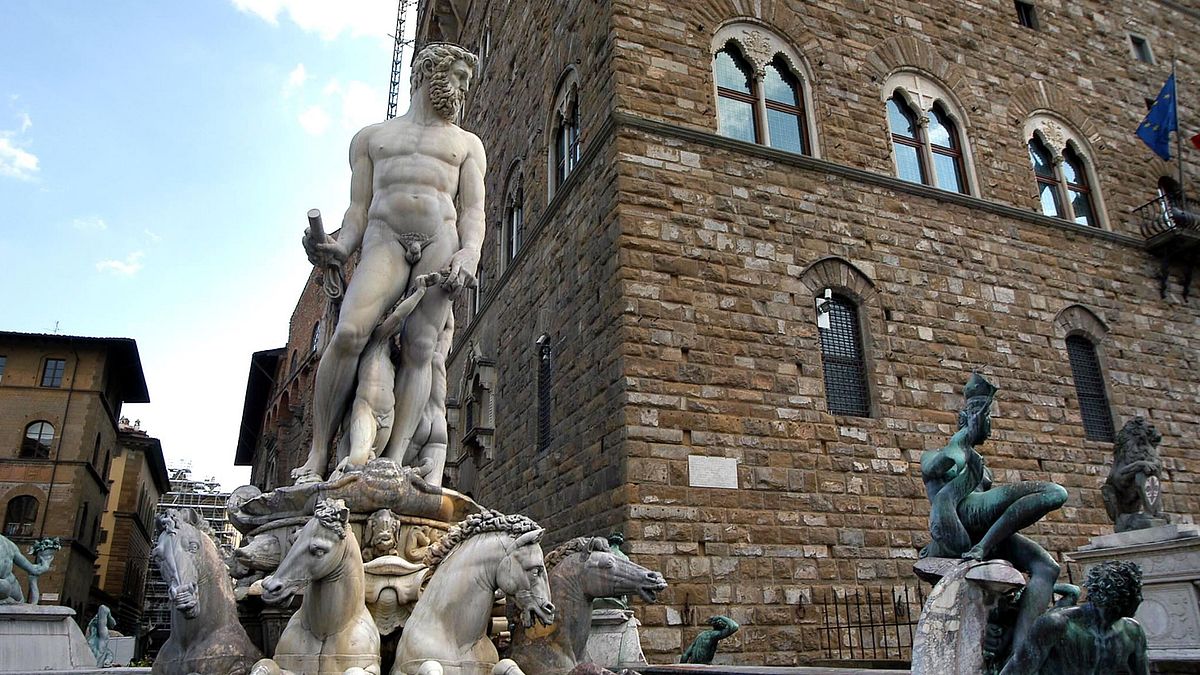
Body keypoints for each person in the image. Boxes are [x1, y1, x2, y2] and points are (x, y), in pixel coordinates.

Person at [297, 42, 485, 485]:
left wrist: (469, 251)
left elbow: (474, 210)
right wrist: (339, 247)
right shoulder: (371, 138)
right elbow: (357, 210)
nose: (463, 89)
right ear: (429, 72)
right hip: (384, 236)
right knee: (347, 333)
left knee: (421, 348)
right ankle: (318, 454)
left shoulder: (467, 145)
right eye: (459, 76)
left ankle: (394, 459)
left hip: (441, 238)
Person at [920, 373, 1068, 669]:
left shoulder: (980, 466)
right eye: (984, 419)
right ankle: (984, 547)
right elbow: (942, 463)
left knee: (1046, 567)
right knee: (1054, 493)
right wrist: (963, 440)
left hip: (983, 531)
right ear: (967, 420)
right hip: (959, 523)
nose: (989, 426)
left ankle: (1021, 657)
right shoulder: (940, 453)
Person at [999, 561, 1149, 674]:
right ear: (1120, 599)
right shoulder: (1056, 625)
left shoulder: (1133, 631)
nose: (1141, 599)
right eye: (1137, 593)